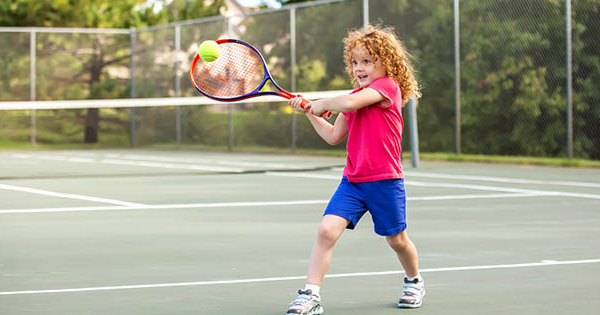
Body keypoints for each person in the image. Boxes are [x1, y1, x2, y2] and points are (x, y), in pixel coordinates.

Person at [285, 25, 424, 315]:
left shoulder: (387, 87)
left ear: (387, 63)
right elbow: (334, 136)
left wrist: (317, 104)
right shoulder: (354, 97)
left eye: (367, 61)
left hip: (384, 181)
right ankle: (311, 295)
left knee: (397, 240)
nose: (359, 68)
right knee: (326, 231)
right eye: (355, 62)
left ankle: (414, 281)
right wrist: (311, 113)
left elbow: (347, 102)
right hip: (353, 181)